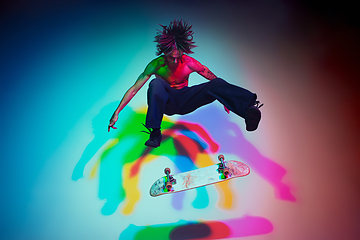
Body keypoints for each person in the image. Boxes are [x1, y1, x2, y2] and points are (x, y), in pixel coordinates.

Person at [108, 20, 263, 148]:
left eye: (178, 56)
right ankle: (155, 133)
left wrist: (225, 98)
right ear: (165, 52)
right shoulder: (156, 65)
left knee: (217, 83)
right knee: (156, 84)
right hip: (168, 103)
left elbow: (211, 77)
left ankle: (248, 109)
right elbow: (134, 89)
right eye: (172, 57)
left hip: (187, 99)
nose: (176, 60)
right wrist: (117, 112)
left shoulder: (189, 62)